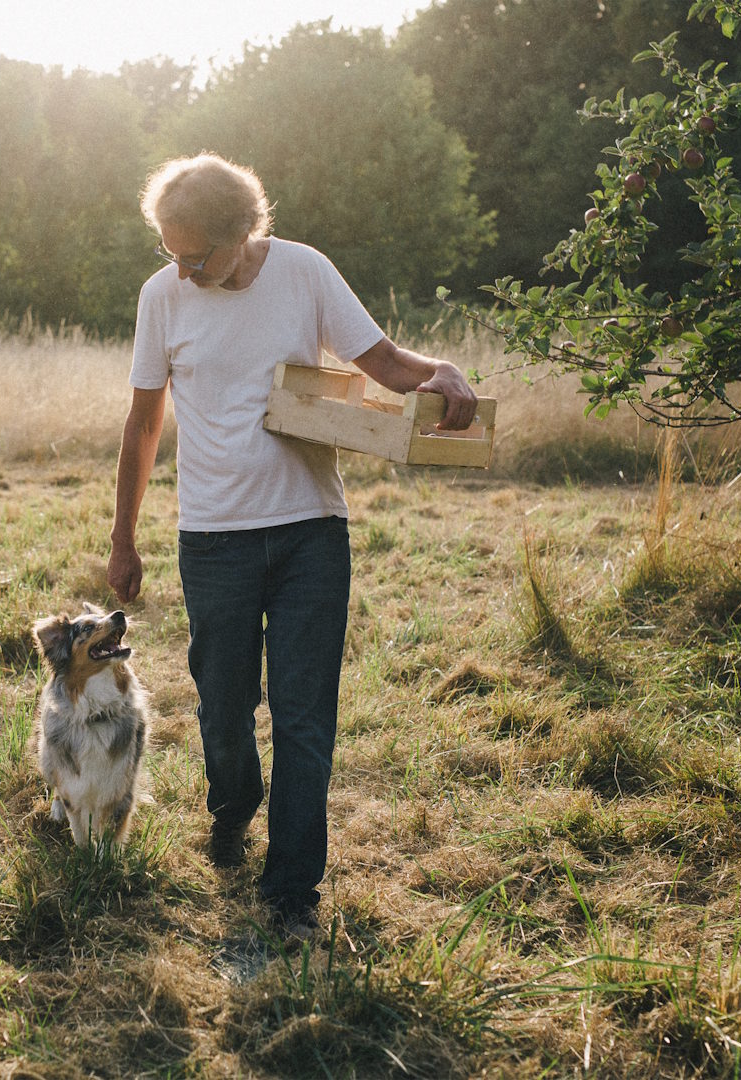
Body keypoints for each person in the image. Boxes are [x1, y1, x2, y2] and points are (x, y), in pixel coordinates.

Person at [107, 153, 476, 941]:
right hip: (213, 540)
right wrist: (124, 538)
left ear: (245, 231)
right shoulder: (163, 296)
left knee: (306, 717)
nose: (183, 268)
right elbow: (143, 423)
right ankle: (232, 808)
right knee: (226, 711)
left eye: (196, 254)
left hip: (311, 532)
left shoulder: (305, 272)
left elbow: (379, 362)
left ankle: (292, 891)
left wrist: (440, 371)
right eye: (170, 252)